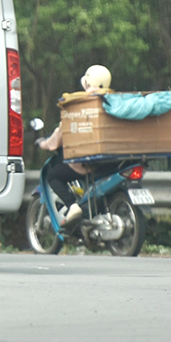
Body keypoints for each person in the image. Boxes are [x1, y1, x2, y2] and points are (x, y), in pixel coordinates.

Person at [37, 64, 113, 225]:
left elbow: (58, 138)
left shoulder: (80, 104)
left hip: (85, 162)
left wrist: (43, 144)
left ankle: (72, 205)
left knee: (53, 175)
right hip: (110, 161)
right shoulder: (112, 101)